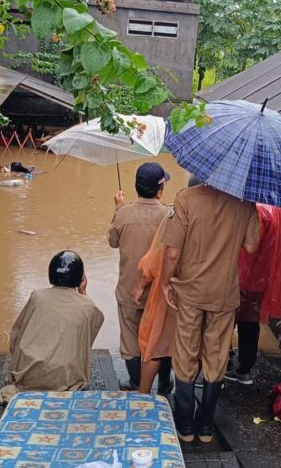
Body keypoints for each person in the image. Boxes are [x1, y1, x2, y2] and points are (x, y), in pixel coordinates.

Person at [161, 177, 260, 443]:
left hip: (190, 292)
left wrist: (164, 282)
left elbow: (172, 252)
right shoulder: (244, 202)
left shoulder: (186, 198)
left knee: (185, 353)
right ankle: (206, 426)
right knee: (216, 356)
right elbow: (251, 246)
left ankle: (185, 425)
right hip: (224, 293)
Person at [0, 251, 104, 403]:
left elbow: (16, 335)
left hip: (28, 374)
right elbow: (86, 339)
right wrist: (83, 293)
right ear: (81, 279)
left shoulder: (37, 297)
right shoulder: (89, 306)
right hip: (64, 379)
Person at [131, 177, 202, 395]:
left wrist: (142, 284)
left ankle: (143, 395)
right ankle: (183, 404)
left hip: (168, 288)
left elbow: (161, 255)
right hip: (198, 291)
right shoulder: (217, 216)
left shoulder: (176, 213)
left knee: (155, 344)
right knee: (190, 348)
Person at [108, 162, 171, 391]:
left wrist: (118, 209)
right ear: (160, 189)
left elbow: (113, 242)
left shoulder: (123, 214)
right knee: (163, 338)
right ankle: (165, 383)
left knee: (131, 339)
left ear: (136, 186)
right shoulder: (170, 215)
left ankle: (136, 383)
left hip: (128, 290)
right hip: (160, 292)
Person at [225, 204, 281, 386]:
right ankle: (245, 367)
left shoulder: (259, 210)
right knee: (250, 321)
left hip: (241, 275)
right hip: (261, 277)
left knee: (227, 320)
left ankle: (226, 364)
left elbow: (249, 244)